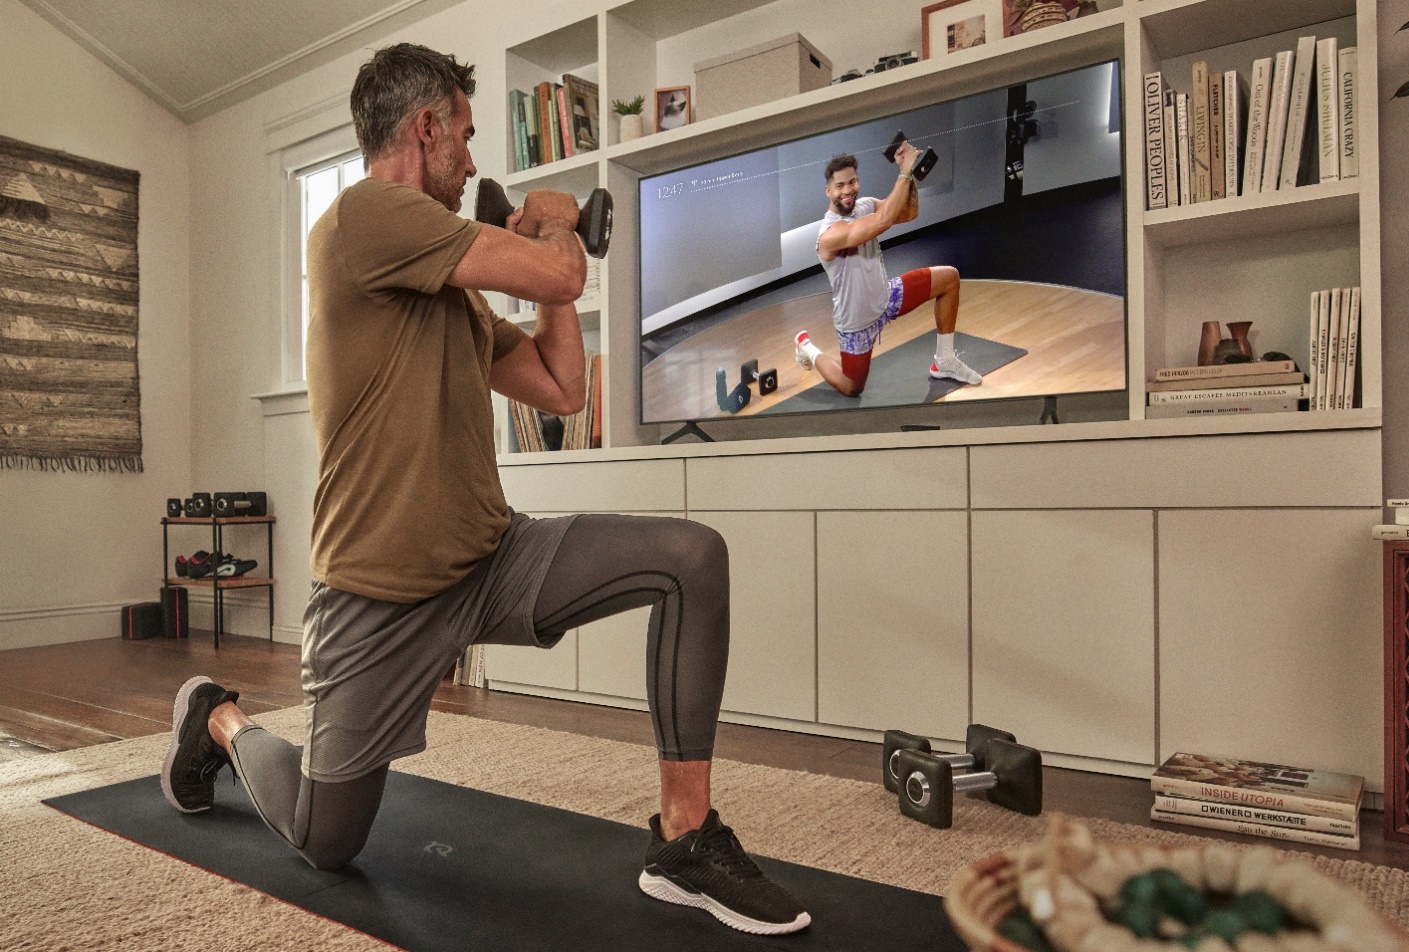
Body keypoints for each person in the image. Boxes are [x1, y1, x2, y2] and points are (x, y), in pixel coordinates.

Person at [160, 42, 810, 937]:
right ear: (424, 129)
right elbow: (561, 271)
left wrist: (549, 247)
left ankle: (685, 841)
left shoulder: (452, 292)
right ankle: (220, 719)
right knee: (327, 837)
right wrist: (550, 228)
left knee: (691, 558)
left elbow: (561, 386)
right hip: (378, 595)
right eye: (463, 137)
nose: (472, 162)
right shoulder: (364, 219)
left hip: (490, 557)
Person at [794, 146, 982, 396]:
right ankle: (806, 347)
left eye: (851, 182)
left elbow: (909, 213)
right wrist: (903, 171)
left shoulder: (866, 205)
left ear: (858, 181)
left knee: (949, 278)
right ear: (829, 191)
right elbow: (883, 221)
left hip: (886, 298)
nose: (847, 190)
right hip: (857, 322)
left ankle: (945, 361)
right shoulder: (830, 235)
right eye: (839, 186)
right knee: (852, 388)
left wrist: (911, 172)